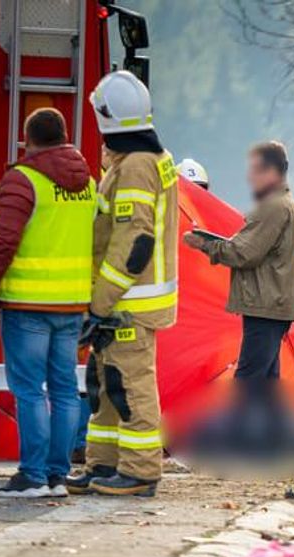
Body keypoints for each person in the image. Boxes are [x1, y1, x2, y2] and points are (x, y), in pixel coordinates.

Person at [66, 70, 179, 497]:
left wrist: (99, 302)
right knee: (106, 386)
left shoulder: (136, 167)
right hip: (123, 300)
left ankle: (140, 471)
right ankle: (104, 465)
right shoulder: (143, 160)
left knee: (130, 386)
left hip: (127, 301)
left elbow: (135, 242)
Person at [0, 108, 95, 497]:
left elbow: (2, 242)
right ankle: (56, 477)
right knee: (65, 389)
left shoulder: (23, 180)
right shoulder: (88, 184)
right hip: (72, 304)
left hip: (27, 304)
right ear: (65, 137)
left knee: (30, 389)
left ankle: (32, 476)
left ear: (28, 140)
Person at [183, 141, 294, 398]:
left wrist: (205, 244)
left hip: (266, 308)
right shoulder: (285, 204)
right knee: (267, 382)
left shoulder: (274, 207)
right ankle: (273, 435)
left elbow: (243, 252)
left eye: (255, 169)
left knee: (248, 380)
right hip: (273, 307)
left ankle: (237, 436)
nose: (250, 176)